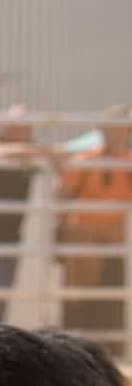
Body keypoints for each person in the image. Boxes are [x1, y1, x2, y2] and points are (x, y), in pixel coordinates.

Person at [0, 105, 56, 323]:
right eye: (15, 126)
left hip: (10, 236)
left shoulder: (31, 152)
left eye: (25, 127)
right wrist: (36, 153)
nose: (21, 131)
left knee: (3, 290)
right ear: (3, 126)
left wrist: (38, 154)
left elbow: (57, 160)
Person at [57, 104, 132, 355]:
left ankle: (112, 352)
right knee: (81, 298)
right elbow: (64, 197)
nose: (116, 134)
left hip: (117, 242)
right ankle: (76, 352)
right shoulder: (85, 160)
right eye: (111, 128)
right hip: (85, 240)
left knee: (113, 299)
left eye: (121, 129)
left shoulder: (129, 162)